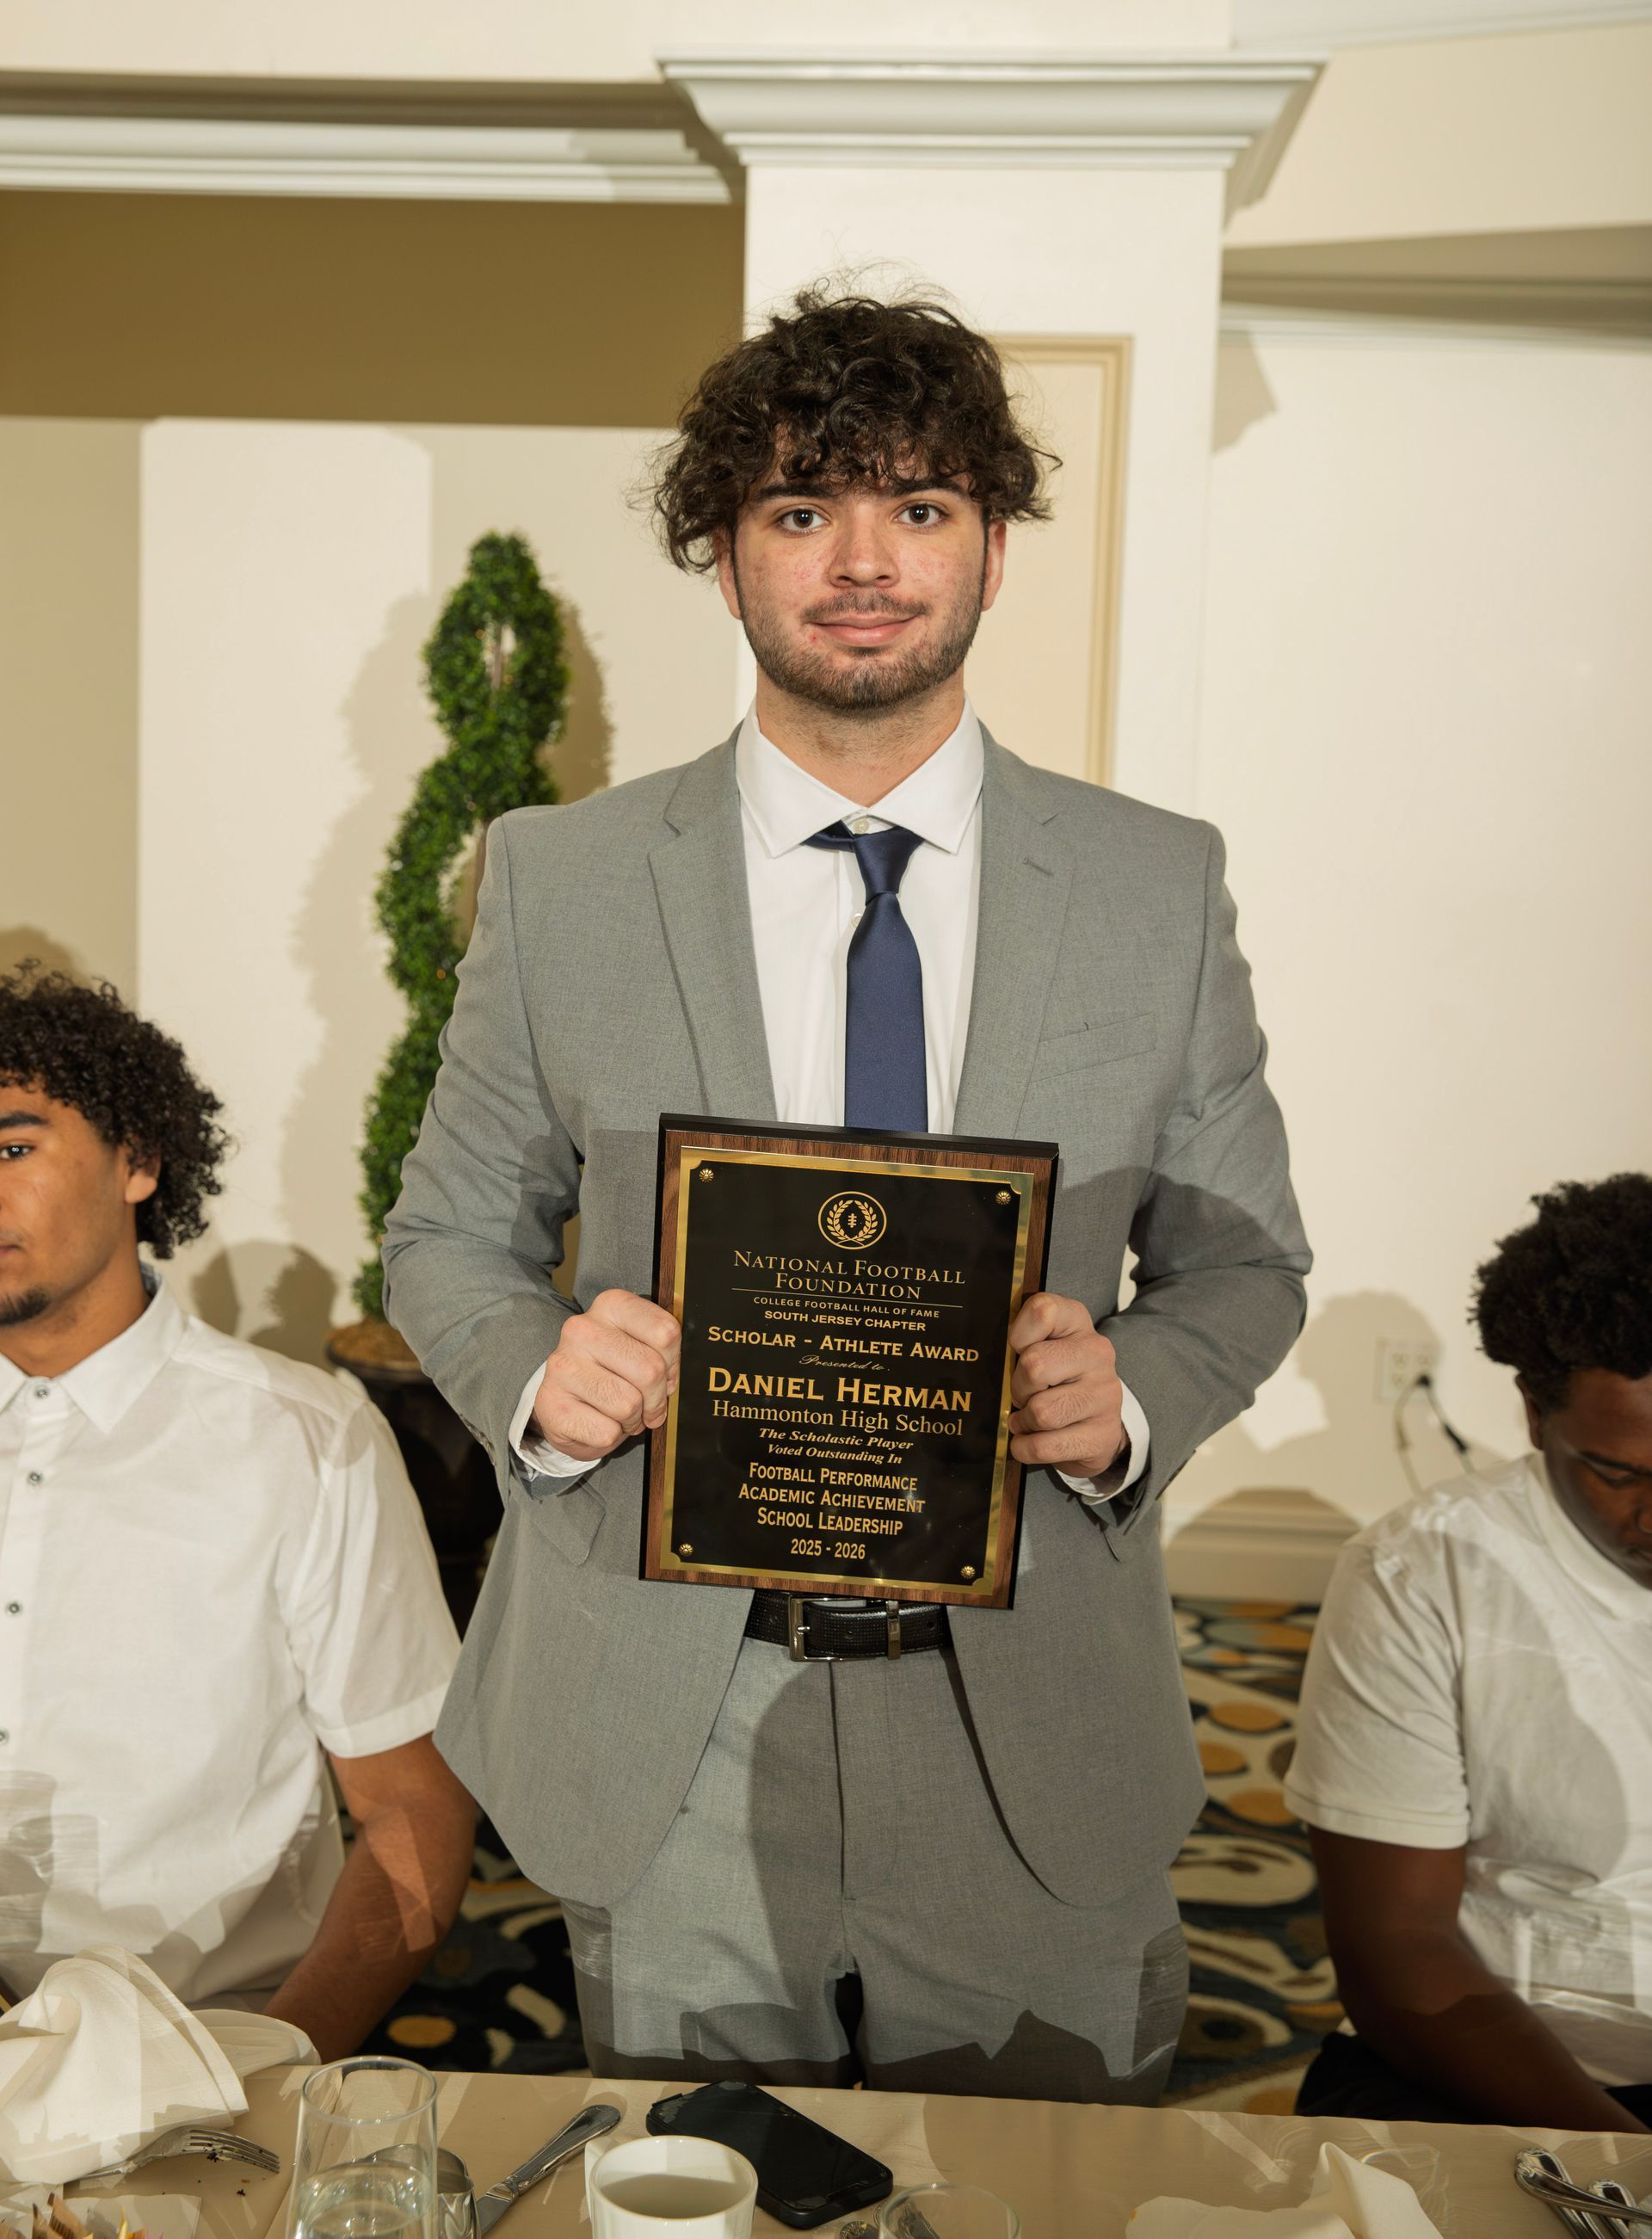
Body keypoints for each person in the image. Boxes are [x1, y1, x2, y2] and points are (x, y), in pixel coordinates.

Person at [383, 286, 1310, 2100]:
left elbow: (1246, 1262)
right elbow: (447, 1235)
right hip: (674, 1698)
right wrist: (539, 1377)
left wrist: (1131, 1396)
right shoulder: (564, 881)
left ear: (994, 548)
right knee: (696, 2194)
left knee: (1047, 2200)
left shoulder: (1152, 884)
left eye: (922, 505)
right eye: (803, 509)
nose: (865, 562)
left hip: (1027, 1697)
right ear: (725, 557)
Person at [0, 965, 475, 2057]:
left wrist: (258, 2070)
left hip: (210, 2052)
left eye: (14, 1149)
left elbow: (415, 1817)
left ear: (139, 1161)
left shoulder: (304, 1443)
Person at [1286, 1173, 1652, 2131]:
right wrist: (1626, 2167)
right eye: (1620, 1474)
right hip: (1515, 2067)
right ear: (1533, 1412)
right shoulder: (1421, 1575)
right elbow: (1399, 1948)